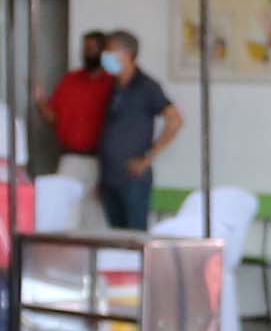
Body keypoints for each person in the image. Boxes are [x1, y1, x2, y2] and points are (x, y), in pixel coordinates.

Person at [95, 32, 179, 230]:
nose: (105, 55)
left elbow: (175, 120)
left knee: (135, 236)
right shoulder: (112, 85)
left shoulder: (147, 86)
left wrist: (148, 157)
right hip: (109, 176)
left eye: (110, 50)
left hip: (133, 178)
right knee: (115, 238)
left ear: (127, 54)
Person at [44, 34, 117, 167]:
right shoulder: (70, 79)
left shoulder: (113, 83)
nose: (87, 53)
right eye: (85, 49)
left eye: (91, 49)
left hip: (104, 160)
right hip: (71, 156)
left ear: (103, 52)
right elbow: (54, 118)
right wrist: (39, 100)